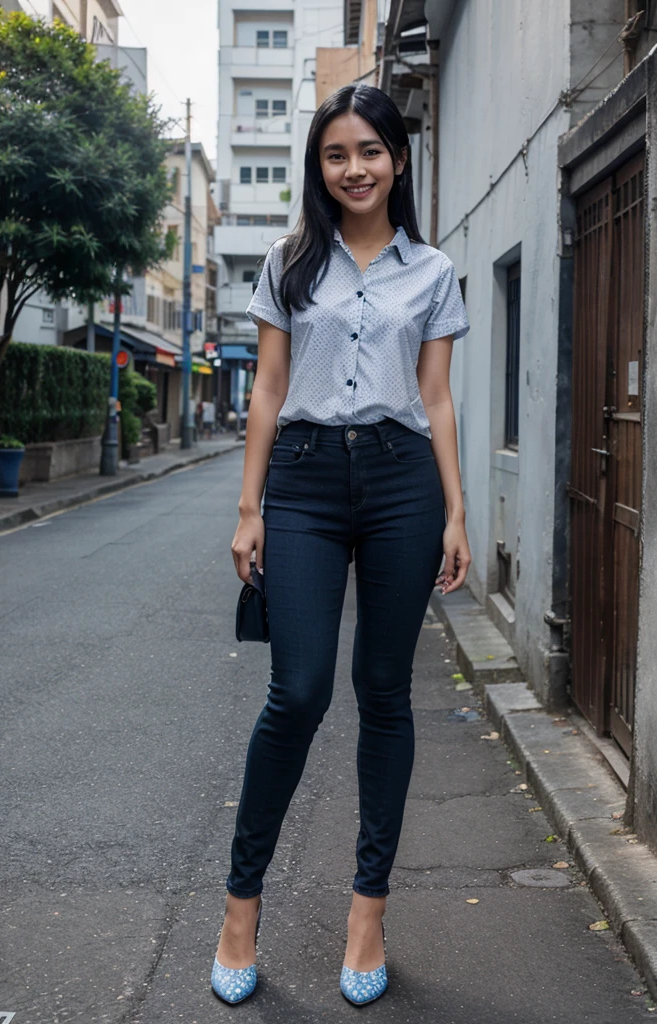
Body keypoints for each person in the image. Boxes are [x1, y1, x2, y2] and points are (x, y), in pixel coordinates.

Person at [211, 82, 471, 1007]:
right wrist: (251, 508)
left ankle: (370, 909)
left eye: (370, 150)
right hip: (307, 484)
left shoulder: (433, 271)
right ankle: (241, 905)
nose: (353, 168)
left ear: (398, 159)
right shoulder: (288, 261)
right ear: (318, 167)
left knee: (384, 696)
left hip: (401, 478)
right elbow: (270, 391)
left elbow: (436, 398)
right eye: (336, 154)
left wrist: (454, 511)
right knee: (300, 690)